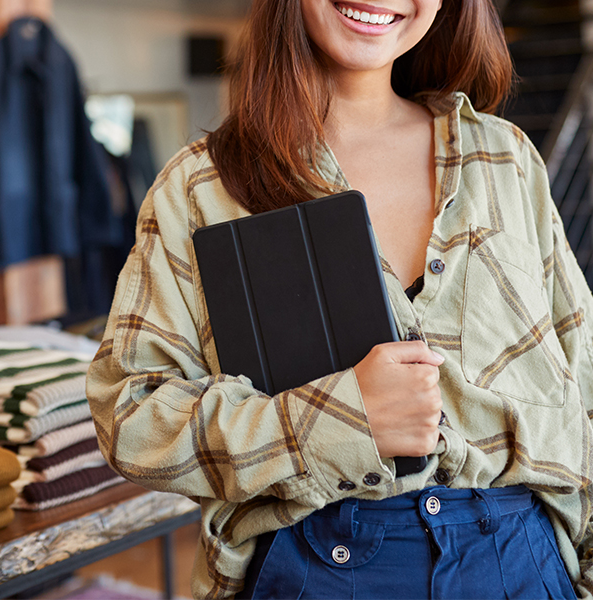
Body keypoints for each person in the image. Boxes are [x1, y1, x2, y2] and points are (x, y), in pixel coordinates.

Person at [85, 0, 593, 596]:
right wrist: (338, 419)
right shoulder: (202, 186)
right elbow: (130, 410)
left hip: (522, 560)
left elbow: (581, 378)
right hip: (316, 563)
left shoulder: (504, 158)